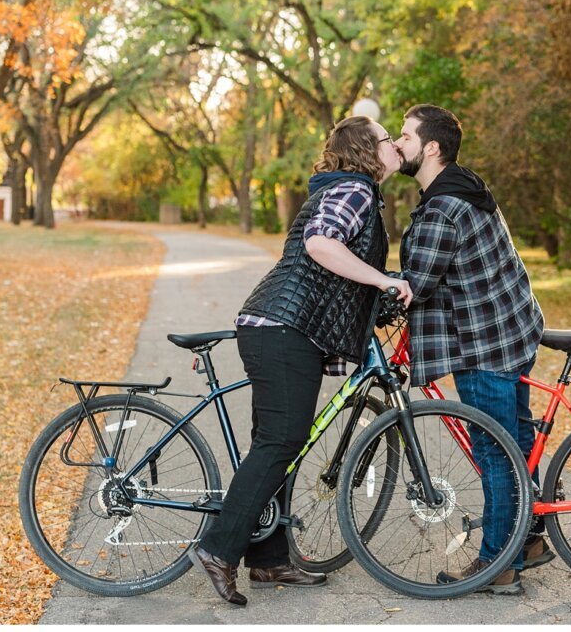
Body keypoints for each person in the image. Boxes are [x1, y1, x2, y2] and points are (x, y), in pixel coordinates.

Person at [189, 116, 412, 606]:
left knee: (281, 444)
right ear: (366, 151)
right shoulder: (354, 189)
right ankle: (217, 549)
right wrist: (380, 280)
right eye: (385, 138)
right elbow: (319, 242)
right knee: (282, 440)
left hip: (289, 329)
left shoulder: (357, 192)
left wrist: (385, 282)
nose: (394, 144)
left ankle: (269, 561)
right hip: (284, 328)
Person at [394, 104, 549, 596]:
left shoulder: (443, 207)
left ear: (431, 147)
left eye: (404, 136)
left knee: (494, 449)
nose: (398, 145)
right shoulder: (465, 186)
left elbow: (415, 281)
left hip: (484, 344)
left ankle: (497, 565)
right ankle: (526, 541)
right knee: (516, 442)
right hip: (512, 332)